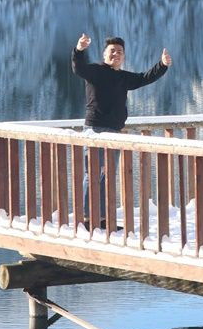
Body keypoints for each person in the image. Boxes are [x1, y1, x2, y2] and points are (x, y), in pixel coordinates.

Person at [72, 34, 171, 228]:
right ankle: (87, 219)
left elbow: (144, 78)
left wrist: (163, 65)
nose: (116, 54)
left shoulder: (123, 77)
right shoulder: (95, 71)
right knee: (93, 174)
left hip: (115, 132)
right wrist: (79, 50)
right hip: (95, 130)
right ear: (104, 54)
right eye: (112, 51)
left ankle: (102, 220)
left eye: (119, 52)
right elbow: (78, 68)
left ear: (123, 56)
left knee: (106, 176)